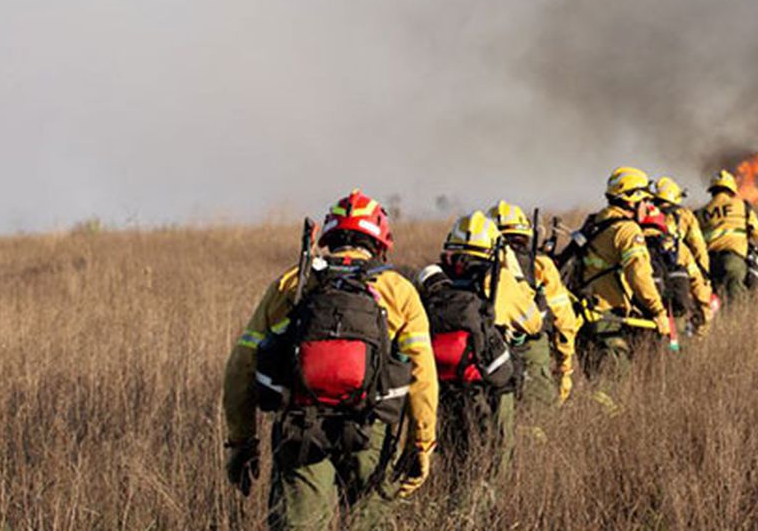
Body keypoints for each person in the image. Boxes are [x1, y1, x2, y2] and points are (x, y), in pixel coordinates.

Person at [222, 189, 438, 531]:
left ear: (330, 237)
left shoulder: (293, 283)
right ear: (379, 242)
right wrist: (421, 444)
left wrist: (241, 442)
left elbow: (240, 366)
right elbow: (423, 376)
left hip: (301, 430)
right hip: (373, 431)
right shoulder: (398, 290)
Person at [426, 211, 543, 477]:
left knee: (454, 448)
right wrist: (512, 272)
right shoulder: (498, 280)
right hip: (491, 380)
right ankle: (487, 500)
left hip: (443, 381)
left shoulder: (434, 282)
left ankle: (450, 493)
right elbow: (533, 322)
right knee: (497, 450)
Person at [564, 166, 675, 375]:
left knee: (599, 385)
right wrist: (658, 311)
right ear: (632, 200)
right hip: (608, 319)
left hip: (586, 316)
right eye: (645, 201)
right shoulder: (627, 230)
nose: (648, 206)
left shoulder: (596, 223)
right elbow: (639, 275)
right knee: (614, 385)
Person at [488, 200, 581, 406]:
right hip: (531, 349)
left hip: (486, 352)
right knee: (536, 420)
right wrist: (565, 367)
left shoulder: (473, 266)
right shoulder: (540, 264)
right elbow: (564, 319)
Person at [651, 176, 717, 336]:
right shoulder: (685, 216)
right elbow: (698, 246)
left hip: (649, 264)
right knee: (693, 299)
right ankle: (694, 337)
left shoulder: (645, 211)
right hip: (678, 262)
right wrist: (704, 273)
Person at [698, 169, 758, 306]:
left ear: (712, 191)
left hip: (709, 264)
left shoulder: (702, 212)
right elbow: (757, 232)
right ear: (731, 190)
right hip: (733, 261)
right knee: (737, 303)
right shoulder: (741, 206)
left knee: (714, 304)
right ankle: (736, 327)